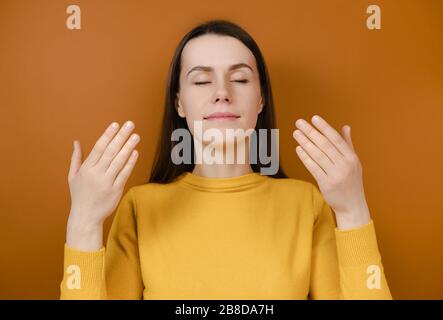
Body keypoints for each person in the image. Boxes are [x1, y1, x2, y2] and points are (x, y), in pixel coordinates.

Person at [60, 19, 392, 300]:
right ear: (179, 103)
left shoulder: (307, 205)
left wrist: (353, 210)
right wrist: (83, 224)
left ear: (260, 99)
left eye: (240, 79)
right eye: (202, 80)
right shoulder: (140, 208)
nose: (222, 91)